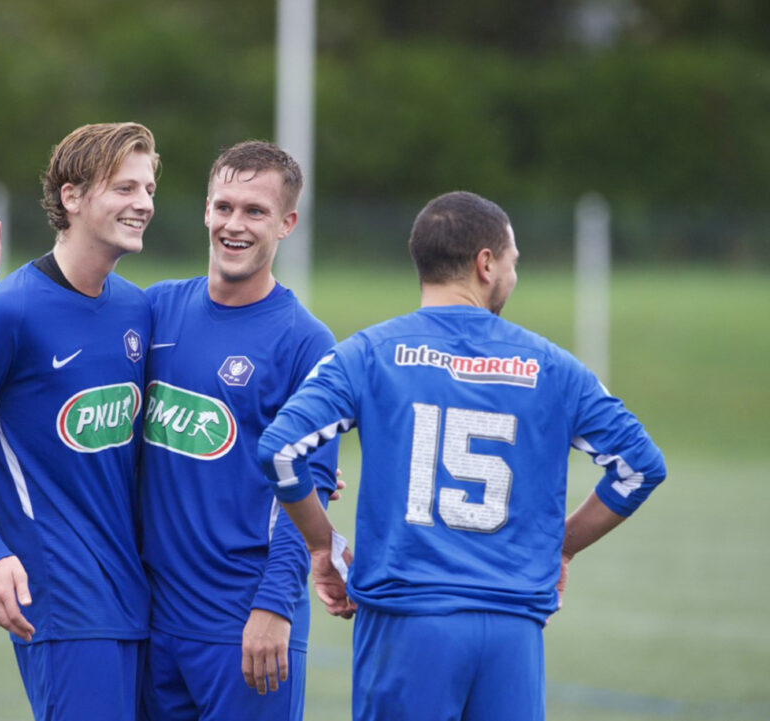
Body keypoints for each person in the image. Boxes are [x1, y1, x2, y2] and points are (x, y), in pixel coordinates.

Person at [0, 140, 339, 720]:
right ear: (206, 209)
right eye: (225, 206)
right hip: (153, 628)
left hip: (247, 628)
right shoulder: (155, 312)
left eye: (255, 211)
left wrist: (276, 606)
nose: (236, 224)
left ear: (287, 223)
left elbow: (309, 490)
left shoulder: (307, 344)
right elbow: (50, 357)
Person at [257, 190, 667, 721]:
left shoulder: (368, 353)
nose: (513, 277)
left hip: (406, 623)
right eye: (513, 263)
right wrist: (559, 548)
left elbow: (280, 452)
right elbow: (640, 466)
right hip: (512, 631)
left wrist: (321, 545)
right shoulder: (552, 366)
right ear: (485, 263)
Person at [0, 121, 160, 721]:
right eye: (125, 188)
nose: (145, 204)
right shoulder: (7, 312)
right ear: (72, 197)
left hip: (140, 595)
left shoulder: (136, 307)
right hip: (63, 598)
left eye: (149, 188)